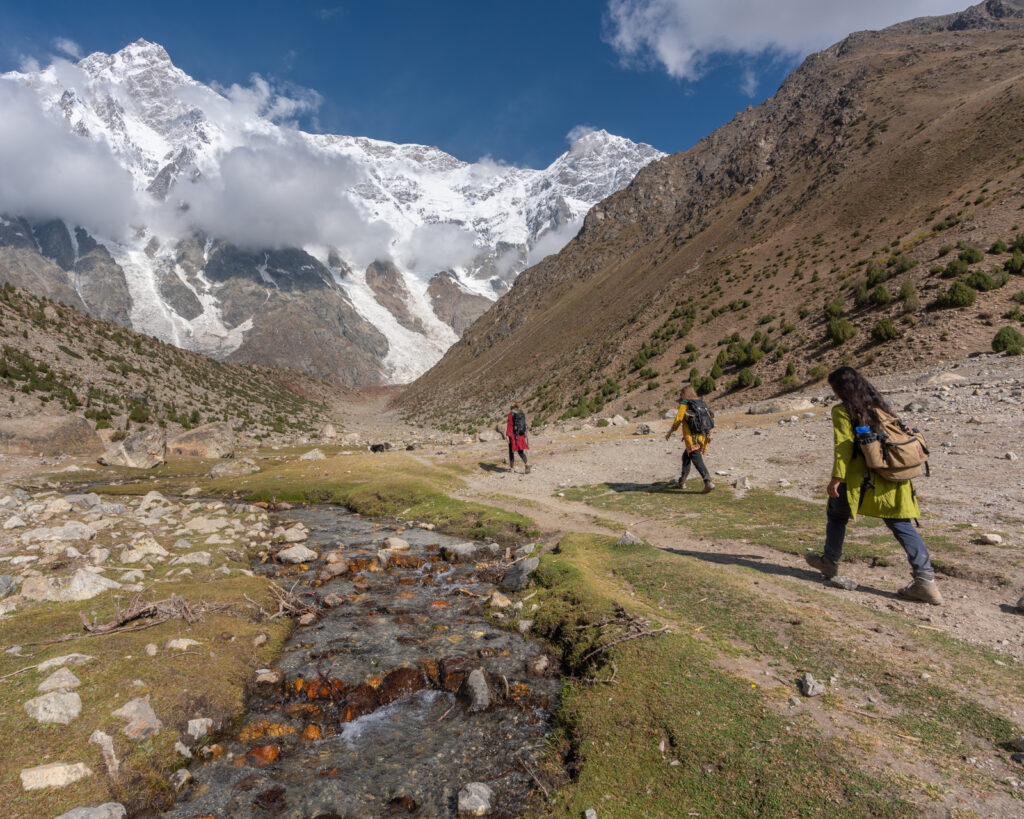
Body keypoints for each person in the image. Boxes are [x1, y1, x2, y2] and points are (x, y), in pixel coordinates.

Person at [805, 366, 943, 605]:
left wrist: (836, 478)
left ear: (840, 389)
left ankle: (829, 562)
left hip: (859, 479)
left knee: (837, 516)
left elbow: (844, 446)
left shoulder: (842, 411)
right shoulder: (880, 407)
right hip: (892, 477)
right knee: (902, 525)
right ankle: (926, 580)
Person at [664, 386, 714, 493]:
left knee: (696, 458)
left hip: (692, 438)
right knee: (686, 456)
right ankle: (681, 482)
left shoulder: (686, 403)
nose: (680, 396)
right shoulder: (701, 402)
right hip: (703, 435)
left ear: (684, 394)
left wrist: (670, 431)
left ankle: (708, 481)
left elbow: (679, 418)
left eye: (681, 394)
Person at [504, 402, 530, 473]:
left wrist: (507, 435)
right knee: (520, 451)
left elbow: (509, 426)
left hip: (513, 436)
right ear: (517, 408)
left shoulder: (510, 415)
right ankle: (527, 464)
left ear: (511, 408)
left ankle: (512, 468)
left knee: (511, 452)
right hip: (520, 435)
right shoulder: (519, 414)